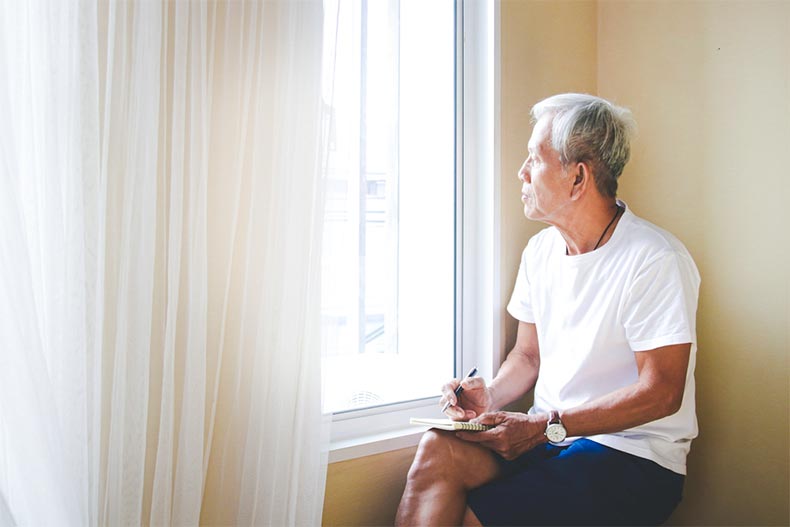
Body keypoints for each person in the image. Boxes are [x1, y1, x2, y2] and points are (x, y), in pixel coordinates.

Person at [395, 93, 700, 526]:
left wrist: (545, 426)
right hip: (551, 437)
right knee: (437, 449)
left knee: (473, 519)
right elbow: (528, 355)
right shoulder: (540, 252)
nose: (521, 173)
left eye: (533, 160)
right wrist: (492, 394)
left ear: (577, 177)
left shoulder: (655, 259)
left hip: (632, 455)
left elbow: (662, 392)